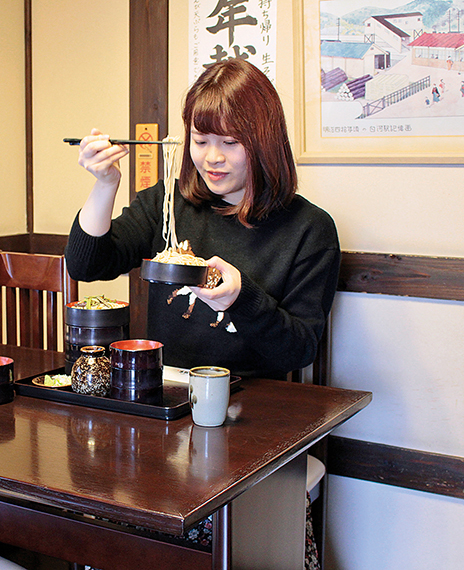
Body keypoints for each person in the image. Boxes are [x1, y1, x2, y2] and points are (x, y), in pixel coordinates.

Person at [65, 58, 340, 381]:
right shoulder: (167, 202)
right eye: (200, 141)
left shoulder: (309, 229)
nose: (212, 158)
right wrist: (105, 184)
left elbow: (299, 350)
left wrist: (241, 298)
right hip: (163, 390)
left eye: (230, 142)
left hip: (255, 403)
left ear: (263, 141)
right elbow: (87, 265)